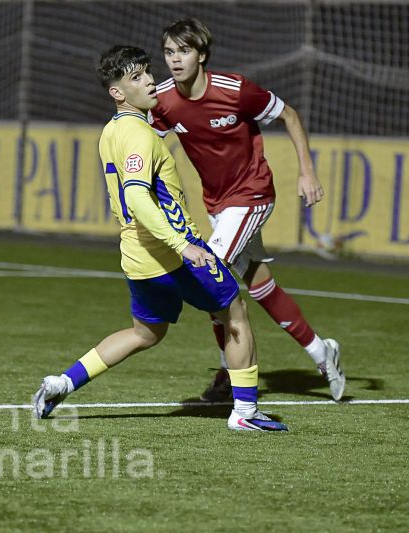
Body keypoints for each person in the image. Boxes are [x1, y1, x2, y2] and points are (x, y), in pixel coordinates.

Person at [33, 45, 287, 432]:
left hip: (137, 257)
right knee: (234, 309)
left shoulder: (111, 131)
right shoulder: (140, 136)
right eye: (135, 78)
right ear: (117, 93)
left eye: (146, 73)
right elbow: (136, 196)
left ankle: (62, 383)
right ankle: (245, 413)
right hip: (174, 254)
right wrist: (182, 244)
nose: (150, 80)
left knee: (145, 333)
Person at [148, 18, 344, 402]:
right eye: (169, 52)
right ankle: (323, 352)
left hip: (253, 195)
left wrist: (307, 172)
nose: (174, 59)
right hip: (219, 205)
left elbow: (289, 115)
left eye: (183, 51)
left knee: (208, 273)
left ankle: (228, 375)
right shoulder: (165, 99)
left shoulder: (235, 90)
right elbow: (147, 142)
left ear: (201, 55)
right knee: (257, 283)